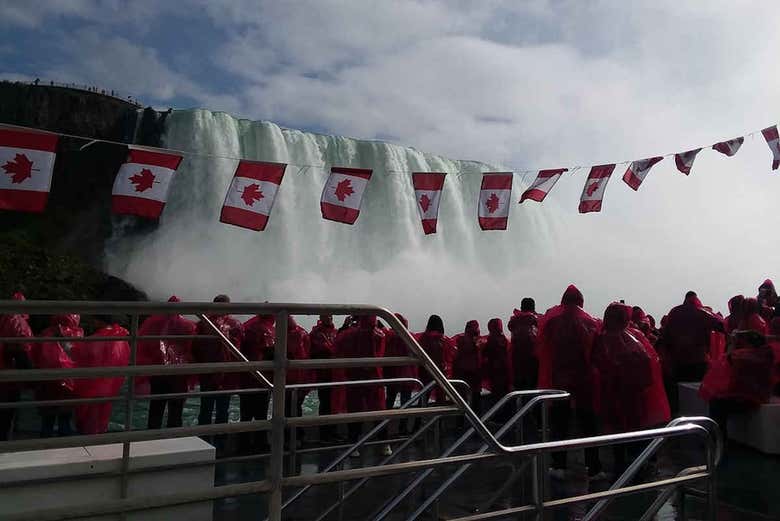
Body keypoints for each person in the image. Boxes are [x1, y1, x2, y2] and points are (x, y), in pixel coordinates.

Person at [592, 303, 670, 474]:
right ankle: (637, 470)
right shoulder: (635, 338)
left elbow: (595, 365)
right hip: (634, 396)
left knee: (616, 435)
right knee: (635, 434)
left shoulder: (600, 338)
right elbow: (650, 367)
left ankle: (620, 471)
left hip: (610, 395)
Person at [537, 285, 602, 479]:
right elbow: (596, 353)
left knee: (559, 423)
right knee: (588, 424)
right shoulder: (589, 322)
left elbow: (541, 349)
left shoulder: (551, 322)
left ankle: (559, 465)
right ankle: (594, 468)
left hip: (559, 379)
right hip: (583, 379)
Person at [700, 330, 775, 441]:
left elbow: (724, 364)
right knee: (719, 402)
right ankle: (718, 438)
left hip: (749, 398)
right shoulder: (763, 355)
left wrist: (731, 345)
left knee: (716, 404)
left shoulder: (740, 356)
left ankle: (718, 440)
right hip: (757, 396)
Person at [659, 291, 724, 414]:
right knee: (697, 395)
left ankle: (680, 420)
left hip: (678, 363)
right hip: (698, 361)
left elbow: (665, 337)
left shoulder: (674, 313)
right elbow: (721, 325)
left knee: (681, 396)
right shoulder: (701, 313)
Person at [336, 315, 390, 457]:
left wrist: (344, 326)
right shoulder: (380, 334)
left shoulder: (348, 334)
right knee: (379, 411)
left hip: (354, 376)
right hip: (374, 377)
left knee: (355, 411)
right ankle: (384, 444)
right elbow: (389, 336)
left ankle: (353, 445)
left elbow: (337, 344)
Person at [140, 297, 197, 430]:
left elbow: (144, 344)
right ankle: (173, 436)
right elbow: (191, 348)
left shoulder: (153, 322)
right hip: (178, 372)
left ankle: (152, 434)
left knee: (156, 406)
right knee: (176, 408)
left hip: (158, 370)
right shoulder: (188, 325)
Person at [191, 295, 244, 428]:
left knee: (206, 408)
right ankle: (221, 441)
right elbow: (239, 349)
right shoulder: (235, 324)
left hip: (207, 371)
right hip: (227, 373)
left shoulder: (203, 323)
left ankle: (204, 439)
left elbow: (195, 348)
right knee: (223, 409)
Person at [71, 321, 130, 434]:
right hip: (110, 386)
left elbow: (87, 356)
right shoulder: (120, 339)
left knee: (90, 419)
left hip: (95, 387)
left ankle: (89, 439)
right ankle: (100, 437)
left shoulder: (96, 339)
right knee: (102, 417)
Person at [32, 314, 83, 437]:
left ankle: (46, 437)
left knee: (47, 417)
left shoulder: (45, 333)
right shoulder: (76, 334)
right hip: (68, 380)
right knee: (65, 415)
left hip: (47, 379)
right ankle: (63, 438)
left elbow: (35, 354)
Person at [239, 313, 275, 451]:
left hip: (247, 376)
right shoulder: (266, 330)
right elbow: (270, 351)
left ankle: (243, 444)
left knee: (246, 414)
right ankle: (260, 443)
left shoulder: (248, 326)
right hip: (262, 377)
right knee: (261, 413)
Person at [0, 292, 33, 441]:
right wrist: (30, 378)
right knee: (6, 418)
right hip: (8, 379)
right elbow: (21, 352)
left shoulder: (5, 318)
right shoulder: (17, 322)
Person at [384, 313, 418, 435]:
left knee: (389, 402)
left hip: (392, 375)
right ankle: (403, 429)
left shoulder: (389, 337)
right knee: (406, 403)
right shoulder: (410, 337)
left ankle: (383, 428)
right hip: (406, 375)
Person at [416, 315, 456, 404]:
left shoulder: (423, 338)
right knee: (441, 399)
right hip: (440, 373)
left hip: (426, 371)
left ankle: (417, 416)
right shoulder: (443, 340)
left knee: (423, 397)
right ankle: (439, 417)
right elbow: (449, 355)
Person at [285, 316, 311, 445]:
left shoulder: (282, 334)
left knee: (287, 409)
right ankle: (298, 437)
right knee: (295, 408)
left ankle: (290, 438)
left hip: (286, 379)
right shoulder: (303, 333)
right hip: (299, 378)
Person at [453, 320, 483, 415]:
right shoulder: (478, 341)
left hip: (462, 373)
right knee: (476, 396)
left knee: (462, 397)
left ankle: (460, 422)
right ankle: (477, 419)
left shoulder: (460, 340)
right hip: (475, 373)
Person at [508, 300, 539, 391]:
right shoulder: (536, 319)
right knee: (532, 386)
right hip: (532, 359)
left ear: (521, 308)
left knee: (519, 386)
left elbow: (510, 327)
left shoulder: (514, 320)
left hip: (517, 358)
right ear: (533, 308)